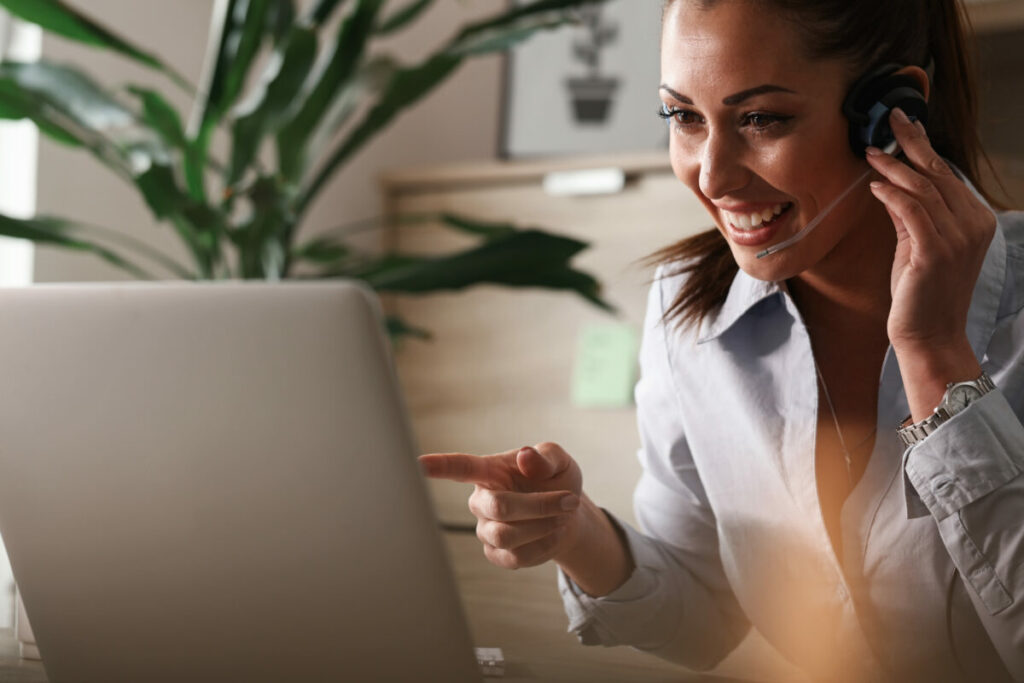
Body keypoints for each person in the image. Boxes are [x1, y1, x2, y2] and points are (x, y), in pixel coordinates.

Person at [420, 0, 1024, 680]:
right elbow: (702, 620)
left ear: (892, 112)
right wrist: (574, 530)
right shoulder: (688, 308)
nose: (710, 175)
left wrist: (937, 353)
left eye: (761, 119)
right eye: (683, 117)